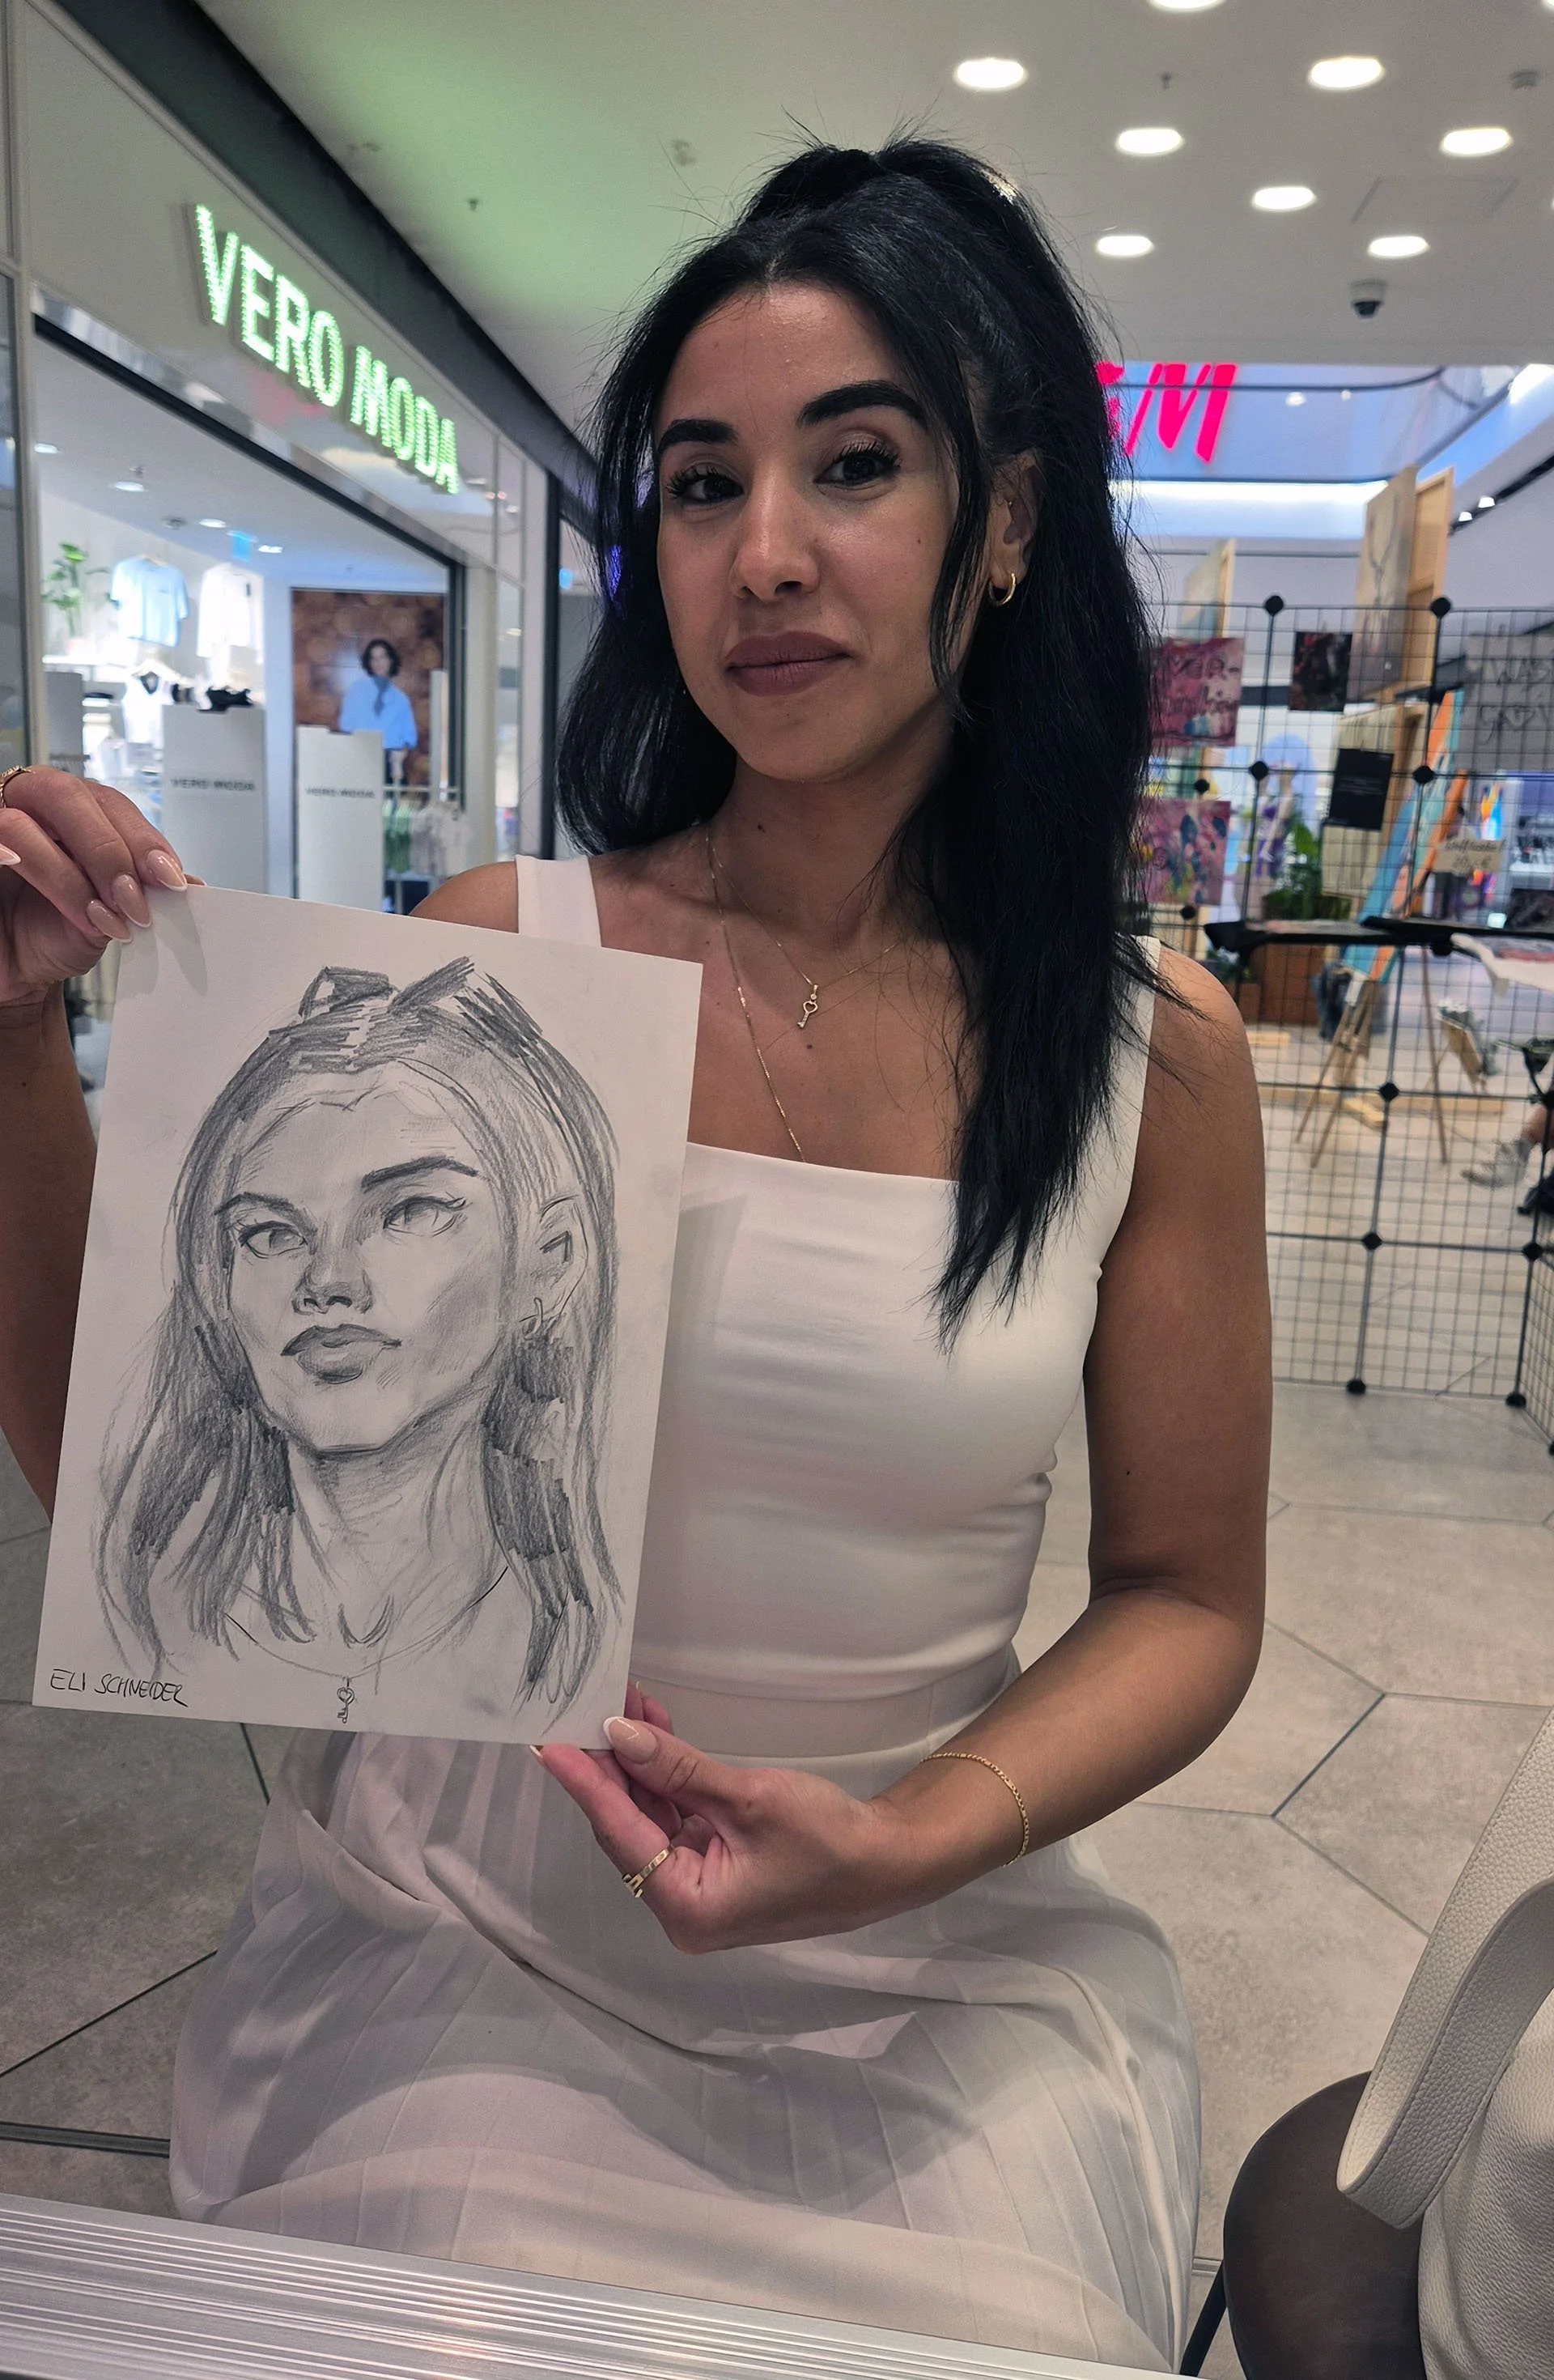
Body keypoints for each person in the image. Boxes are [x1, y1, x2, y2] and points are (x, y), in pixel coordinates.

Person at [0, 139, 1269, 2374]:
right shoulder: (505, 961)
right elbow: (149, 1483)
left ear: (1002, 522)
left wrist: (910, 1838)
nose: (764, 554)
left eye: (852, 465)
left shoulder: (1151, 1054)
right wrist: (14, 1051)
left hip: (926, 1953)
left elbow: (1189, 1593)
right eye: (700, 485)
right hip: (487, 1926)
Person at [94, 958, 619, 1733]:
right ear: (219, 1281)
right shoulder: (150, 1607)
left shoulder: (581, 1641)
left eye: (411, 1211)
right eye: (270, 1232)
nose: (328, 1283)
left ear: (551, 1261)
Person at [338, 635, 418, 784]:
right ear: (369, 663)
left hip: (391, 764)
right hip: (361, 759)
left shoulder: (401, 700)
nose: (378, 663)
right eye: (373, 659)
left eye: (382, 657)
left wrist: (400, 757)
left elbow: (409, 738)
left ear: (391, 661)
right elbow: (345, 727)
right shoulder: (356, 691)